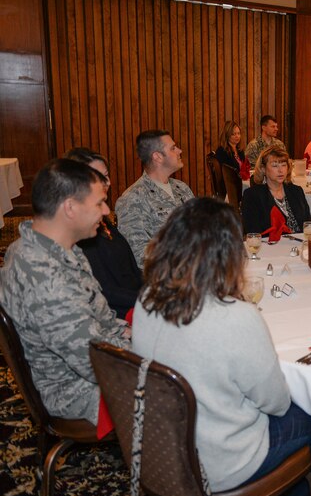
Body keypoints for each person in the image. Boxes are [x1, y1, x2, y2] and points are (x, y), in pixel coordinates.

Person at [132, 197, 311, 496]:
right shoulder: (236, 316)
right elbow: (276, 403)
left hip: (161, 448)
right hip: (219, 464)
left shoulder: (146, 298)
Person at [0, 159, 130, 424]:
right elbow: (95, 363)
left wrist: (132, 332)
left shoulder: (54, 246)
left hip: (91, 363)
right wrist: (157, 350)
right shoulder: (46, 277)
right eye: (98, 203)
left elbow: (101, 318)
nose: (106, 211)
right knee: (191, 385)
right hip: (75, 391)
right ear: (70, 207)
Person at [65, 147, 143, 319]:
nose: (106, 182)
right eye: (98, 177)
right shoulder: (82, 231)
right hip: (117, 314)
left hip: (135, 303)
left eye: (106, 175)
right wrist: (151, 301)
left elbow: (131, 271)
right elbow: (105, 292)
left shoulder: (103, 220)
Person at [115, 129, 195, 269]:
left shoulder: (182, 188)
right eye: (173, 148)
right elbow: (140, 255)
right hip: (166, 280)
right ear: (157, 157)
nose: (179, 151)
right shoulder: (132, 199)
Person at [241, 146, 311, 234]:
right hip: (270, 246)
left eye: (284, 165)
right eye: (275, 166)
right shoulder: (252, 196)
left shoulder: (296, 191)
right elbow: (253, 233)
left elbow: (308, 224)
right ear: (263, 169)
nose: (280, 170)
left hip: (300, 245)